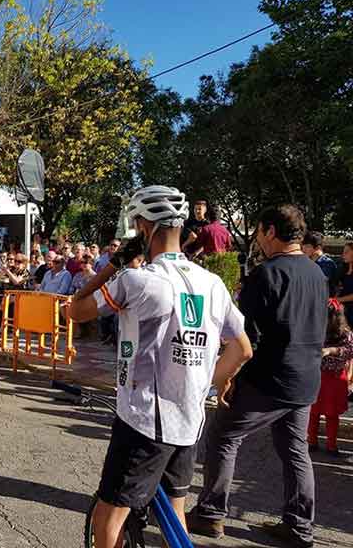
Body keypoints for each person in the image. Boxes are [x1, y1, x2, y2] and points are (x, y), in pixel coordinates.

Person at [68, 185, 252, 548]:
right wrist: (209, 385)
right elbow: (242, 350)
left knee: (110, 514)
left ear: (143, 226)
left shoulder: (137, 280)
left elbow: (75, 309)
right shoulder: (213, 283)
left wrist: (114, 265)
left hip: (143, 419)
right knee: (174, 513)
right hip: (189, 416)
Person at [187, 204, 328, 548]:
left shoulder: (266, 274)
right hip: (305, 377)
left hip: (269, 377)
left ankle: (210, 513)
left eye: (258, 233)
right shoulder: (317, 273)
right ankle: (299, 527)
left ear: (269, 231)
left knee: (223, 435)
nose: (257, 241)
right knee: (295, 451)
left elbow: (245, 338)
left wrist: (228, 377)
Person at [307, 298, 353, 456]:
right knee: (314, 412)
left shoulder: (345, 334)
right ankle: (312, 442)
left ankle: (330, 445)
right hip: (320, 376)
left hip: (334, 378)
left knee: (330, 414)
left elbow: (349, 351)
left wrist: (331, 350)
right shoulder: (315, 329)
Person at [337, 242, 353, 328]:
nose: (343, 254)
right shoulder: (343, 269)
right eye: (343, 252)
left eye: (346, 252)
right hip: (344, 311)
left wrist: (337, 299)